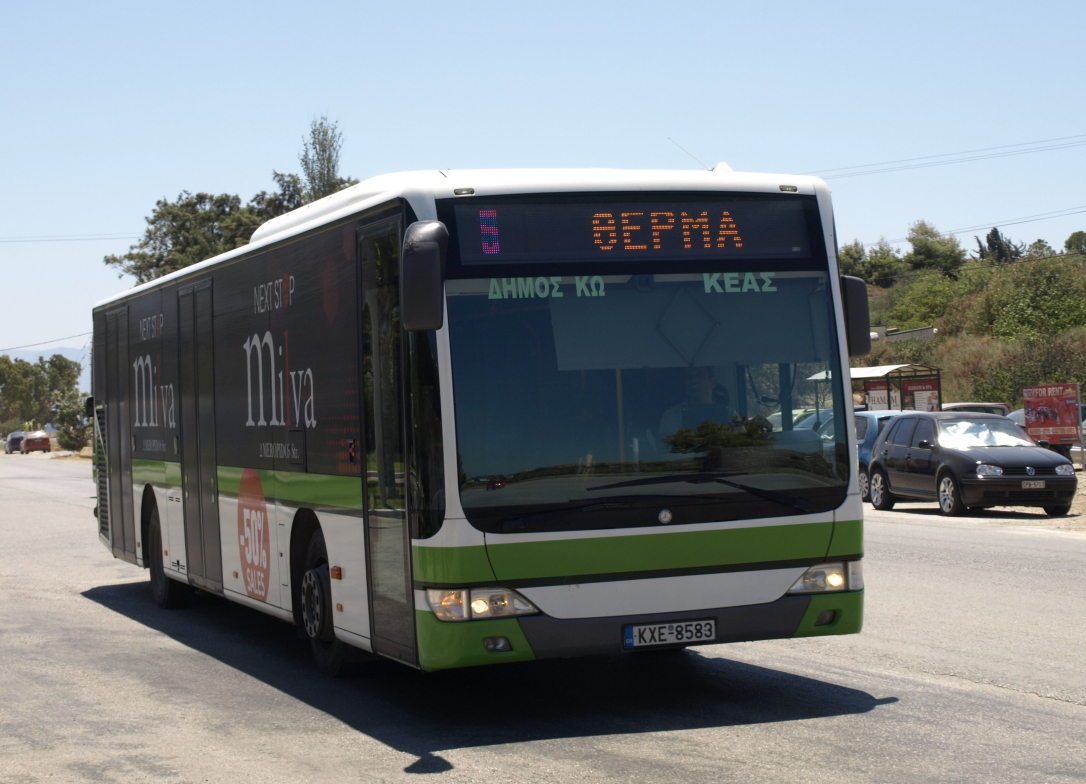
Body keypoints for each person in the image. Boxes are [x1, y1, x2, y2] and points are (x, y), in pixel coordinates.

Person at [659, 366, 730, 437]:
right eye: (688, 376)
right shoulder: (673, 416)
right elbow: (666, 443)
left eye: (699, 375)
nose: (693, 380)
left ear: (713, 382)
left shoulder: (729, 415)